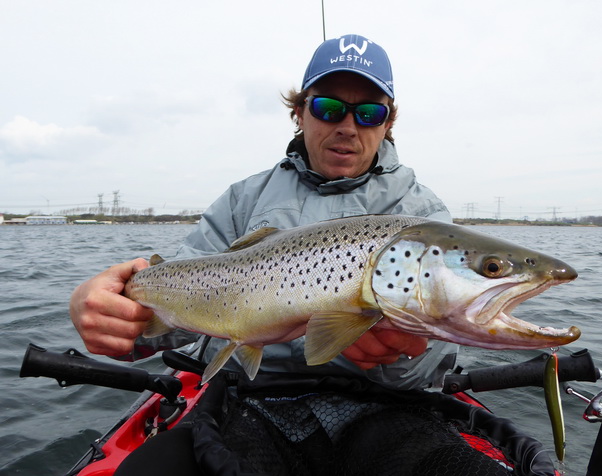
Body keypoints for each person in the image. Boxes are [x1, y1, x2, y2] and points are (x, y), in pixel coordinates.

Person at [70, 34, 457, 390]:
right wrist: (115, 321)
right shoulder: (243, 199)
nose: (348, 127)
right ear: (300, 114)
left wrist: (402, 355)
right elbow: (174, 313)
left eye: (369, 113)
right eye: (328, 108)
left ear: (388, 123)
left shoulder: (423, 215)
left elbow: (441, 357)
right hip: (243, 394)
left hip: (378, 407)